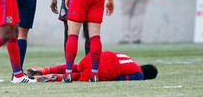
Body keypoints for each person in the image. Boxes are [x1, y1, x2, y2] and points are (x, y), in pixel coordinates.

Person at [27, 50, 158, 82]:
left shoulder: (129, 59)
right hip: (100, 69)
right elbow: (120, 79)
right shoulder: (139, 75)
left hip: (91, 57)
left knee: (77, 66)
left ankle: (45, 70)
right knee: (79, 76)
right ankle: (56, 77)